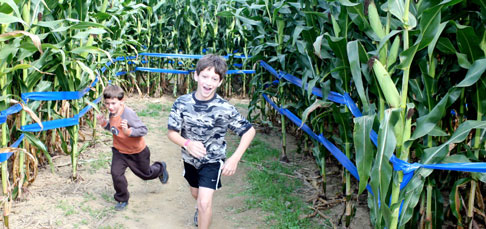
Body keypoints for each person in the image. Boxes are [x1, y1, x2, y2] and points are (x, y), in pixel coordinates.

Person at [167, 54, 256, 228]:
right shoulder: (182, 103)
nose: (208, 83)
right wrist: (188, 144)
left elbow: (249, 131)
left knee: (205, 203)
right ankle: (199, 208)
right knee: (196, 194)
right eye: (205, 77)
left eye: (214, 78)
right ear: (196, 76)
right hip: (189, 159)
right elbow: (172, 133)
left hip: (213, 161)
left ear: (220, 82)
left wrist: (235, 159)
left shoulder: (225, 108)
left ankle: (201, 211)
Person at [96, 84, 169, 211]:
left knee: (146, 175)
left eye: (113, 103)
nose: (110, 107)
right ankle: (122, 198)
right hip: (120, 152)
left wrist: (129, 131)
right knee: (116, 174)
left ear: (121, 101)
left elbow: (143, 130)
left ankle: (160, 168)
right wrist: (104, 123)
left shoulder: (128, 114)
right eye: (107, 104)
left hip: (137, 152)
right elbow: (114, 129)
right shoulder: (111, 113)